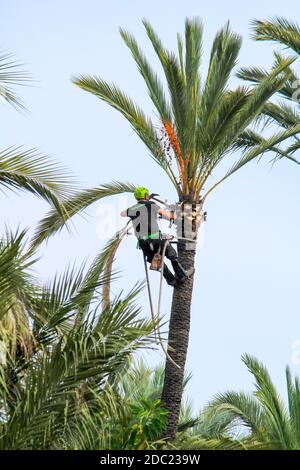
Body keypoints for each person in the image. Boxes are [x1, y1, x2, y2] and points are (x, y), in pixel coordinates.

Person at [120, 186, 194, 287]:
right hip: (156, 238)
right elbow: (169, 216)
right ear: (146, 195)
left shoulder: (132, 209)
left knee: (156, 260)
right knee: (171, 254)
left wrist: (137, 206)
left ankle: (171, 280)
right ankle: (182, 275)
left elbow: (122, 214)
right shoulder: (152, 205)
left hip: (143, 242)